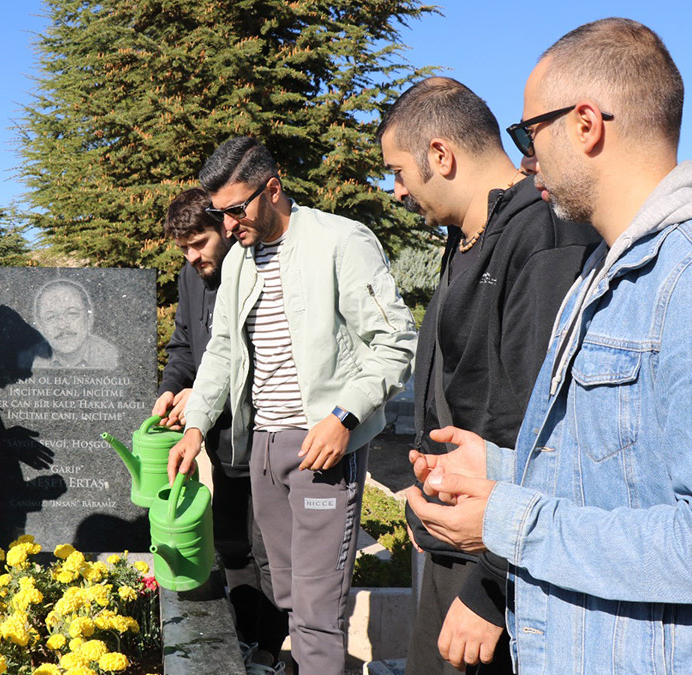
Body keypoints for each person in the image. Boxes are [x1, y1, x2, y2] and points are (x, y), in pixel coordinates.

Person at [406, 18, 692, 674]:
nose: (523, 158)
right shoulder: (605, 272)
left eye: (528, 133)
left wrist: (509, 519)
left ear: (585, 124)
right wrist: (497, 466)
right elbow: (617, 481)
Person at [167, 136, 417, 675]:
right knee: (287, 596)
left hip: (322, 447)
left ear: (273, 189)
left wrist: (343, 417)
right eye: (221, 214)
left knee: (317, 611)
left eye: (236, 210)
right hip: (262, 446)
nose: (229, 226)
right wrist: (195, 427)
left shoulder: (341, 241)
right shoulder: (238, 262)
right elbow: (222, 351)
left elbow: (396, 342)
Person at [378, 77, 599, 673]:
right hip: (454, 544)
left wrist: (492, 587)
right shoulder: (467, 236)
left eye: (399, 171)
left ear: (441, 155)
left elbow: (545, 432)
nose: (395, 191)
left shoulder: (543, 233)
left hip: (497, 564)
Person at [152, 187, 289, 670]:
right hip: (220, 440)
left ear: (224, 229)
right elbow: (186, 346)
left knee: (269, 549)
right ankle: (245, 638)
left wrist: (205, 395)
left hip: (268, 433)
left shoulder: (259, 271)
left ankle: (271, 649)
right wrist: (173, 388)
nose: (192, 257)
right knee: (232, 545)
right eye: (183, 248)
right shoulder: (192, 279)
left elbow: (266, 359)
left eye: (199, 243)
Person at [31, 279, 119, 369]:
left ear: (89, 317)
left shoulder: (112, 358)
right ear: (40, 325)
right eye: (51, 317)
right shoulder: (29, 361)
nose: (62, 325)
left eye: (72, 313)